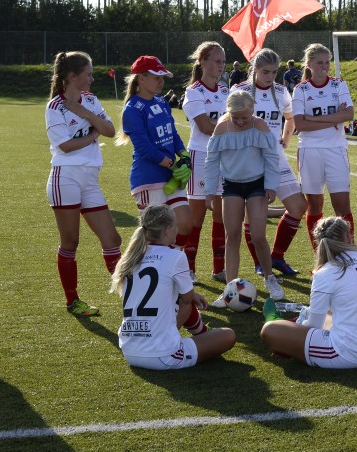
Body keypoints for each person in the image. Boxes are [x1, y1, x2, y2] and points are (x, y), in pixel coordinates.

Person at [111, 204, 235, 369]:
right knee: (228, 335)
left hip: (129, 351)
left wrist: (191, 295)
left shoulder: (131, 258)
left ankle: (195, 334)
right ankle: (196, 335)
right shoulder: (176, 256)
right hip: (161, 355)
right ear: (168, 229)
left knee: (181, 297)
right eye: (176, 225)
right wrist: (190, 298)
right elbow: (186, 301)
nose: (178, 229)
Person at [46, 51, 123, 316]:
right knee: (71, 242)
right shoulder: (54, 107)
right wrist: (92, 135)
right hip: (65, 178)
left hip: (90, 179)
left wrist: (84, 112)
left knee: (112, 239)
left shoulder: (90, 99)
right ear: (72, 76)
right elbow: (65, 146)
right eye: (88, 74)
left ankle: (131, 296)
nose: (91, 79)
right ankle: (73, 301)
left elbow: (110, 131)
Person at [260, 216, 357, 369]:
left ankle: (279, 323)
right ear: (348, 237)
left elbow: (313, 325)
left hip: (349, 353)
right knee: (328, 312)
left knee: (270, 329)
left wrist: (297, 328)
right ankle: (292, 326)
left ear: (319, 243)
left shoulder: (327, 272)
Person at [231, 48, 306, 277]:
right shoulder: (240, 90)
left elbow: (290, 118)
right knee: (255, 215)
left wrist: (285, 139)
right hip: (250, 160)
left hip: (275, 157)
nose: (270, 77)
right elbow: (230, 123)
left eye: (274, 72)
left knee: (298, 206)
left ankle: (276, 257)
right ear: (254, 69)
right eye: (265, 72)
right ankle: (259, 263)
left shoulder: (281, 91)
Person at [205, 90, 284, 304]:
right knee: (232, 236)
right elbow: (212, 161)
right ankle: (230, 289)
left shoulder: (260, 126)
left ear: (252, 111)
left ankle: (269, 278)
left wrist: (271, 186)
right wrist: (210, 191)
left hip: (256, 184)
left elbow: (271, 157)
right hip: (231, 185)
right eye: (235, 118)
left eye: (245, 118)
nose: (240, 122)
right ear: (228, 113)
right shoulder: (221, 128)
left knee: (258, 236)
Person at [117, 55, 194, 266]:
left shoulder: (162, 102)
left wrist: (184, 155)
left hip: (170, 175)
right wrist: (172, 164)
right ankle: (134, 269)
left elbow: (172, 133)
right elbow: (143, 148)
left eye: (162, 78)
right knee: (154, 236)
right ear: (141, 78)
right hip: (148, 177)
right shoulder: (132, 109)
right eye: (156, 77)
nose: (161, 82)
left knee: (185, 223)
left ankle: (171, 266)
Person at [292, 44, 354, 244]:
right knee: (314, 206)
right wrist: (334, 118)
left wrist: (314, 119)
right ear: (309, 64)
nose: (325, 66)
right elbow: (300, 124)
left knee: (342, 206)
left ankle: (348, 252)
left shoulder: (339, 85)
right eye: (320, 62)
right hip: (309, 150)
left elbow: (349, 114)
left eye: (327, 62)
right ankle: (319, 253)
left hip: (336, 149)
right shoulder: (300, 89)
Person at [180, 41, 228, 282]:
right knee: (196, 216)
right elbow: (205, 127)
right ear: (203, 62)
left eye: (223, 62)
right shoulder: (193, 92)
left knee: (220, 214)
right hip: (200, 156)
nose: (221, 66)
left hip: (224, 157)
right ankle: (188, 268)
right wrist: (231, 127)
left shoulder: (226, 91)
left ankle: (219, 269)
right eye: (217, 61)